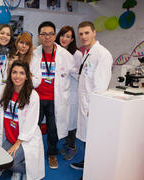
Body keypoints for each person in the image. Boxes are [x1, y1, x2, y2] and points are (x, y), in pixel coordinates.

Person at [0, 60, 45, 180]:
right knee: (1, 161)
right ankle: (18, 169)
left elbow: (30, 124)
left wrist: (17, 143)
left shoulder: (32, 96)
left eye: (22, 73)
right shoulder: (3, 90)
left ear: (27, 77)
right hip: (10, 136)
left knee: (11, 162)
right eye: (14, 72)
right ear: (10, 74)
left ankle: (25, 171)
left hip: (25, 139)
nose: (17, 76)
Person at [70, 21, 113, 171]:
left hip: (92, 105)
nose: (83, 36)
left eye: (87, 33)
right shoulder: (87, 53)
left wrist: (93, 106)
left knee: (93, 139)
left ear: (94, 32)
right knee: (87, 138)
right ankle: (87, 163)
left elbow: (101, 85)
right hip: (85, 103)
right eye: (81, 34)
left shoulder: (102, 54)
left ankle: (91, 171)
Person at [35, 21, 75, 169]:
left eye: (51, 34)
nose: (47, 37)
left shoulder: (64, 54)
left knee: (53, 130)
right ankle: (32, 153)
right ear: (39, 36)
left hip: (55, 99)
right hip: (37, 98)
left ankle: (52, 154)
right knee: (33, 128)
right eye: (44, 34)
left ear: (54, 35)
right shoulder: (34, 54)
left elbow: (76, 73)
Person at [55, 26, 83, 161]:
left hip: (72, 92)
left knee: (70, 121)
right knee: (62, 120)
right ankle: (66, 143)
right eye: (62, 35)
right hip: (60, 92)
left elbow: (79, 75)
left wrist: (69, 70)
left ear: (72, 39)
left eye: (68, 36)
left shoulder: (77, 54)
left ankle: (72, 146)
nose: (64, 38)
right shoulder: (56, 52)